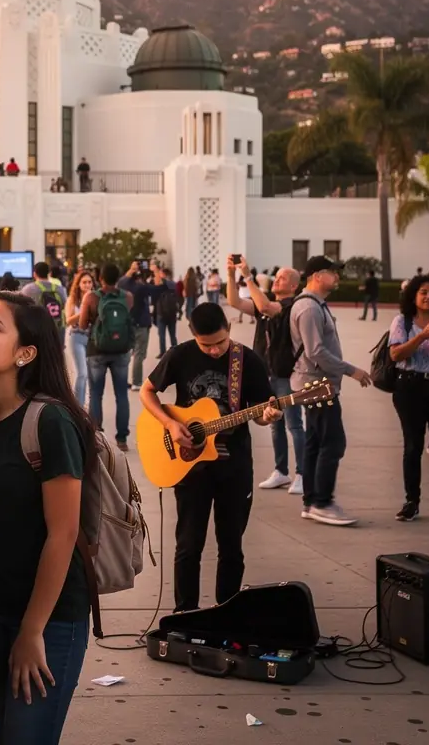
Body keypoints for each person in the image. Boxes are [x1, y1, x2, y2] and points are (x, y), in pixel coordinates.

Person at [0, 293, 92, 745]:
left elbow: (63, 534)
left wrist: (32, 630)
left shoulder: (50, 421)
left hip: (50, 615)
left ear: (25, 353)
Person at [140, 302, 280, 612]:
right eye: (206, 345)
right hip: (190, 466)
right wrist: (171, 424)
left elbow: (259, 411)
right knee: (188, 545)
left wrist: (267, 416)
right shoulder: (180, 355)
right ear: (194, 336)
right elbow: (147, 391)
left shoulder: (248, 361)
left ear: (229, 328)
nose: (215, 350)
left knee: (231, 546)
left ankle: (226, 612)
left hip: (235, 466)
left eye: (220, 342)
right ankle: (184, 613)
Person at [290, 256, 372, 527]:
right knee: (333, 442)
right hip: (316, 386)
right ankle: (322, 502)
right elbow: (316, 352)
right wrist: (351, 370)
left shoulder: (314, 305)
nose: (337, 277)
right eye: (332, 273)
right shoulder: (309, 308)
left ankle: (312, 501)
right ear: (316, 275)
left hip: (316, 384)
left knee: (316, 441)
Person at [226, 256, 305, 494]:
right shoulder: (267, 303)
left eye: (282, 278)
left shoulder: (290, 306)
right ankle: (281, 471)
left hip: (285, 374)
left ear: (293, 286)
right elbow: (235, 302)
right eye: (277, 276)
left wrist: (248, 276)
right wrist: (231, 274)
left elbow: (265, 308)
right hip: (266, 373)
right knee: (274, 424)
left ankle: (302, 473)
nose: (277, 280)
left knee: (294, 425)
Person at [387, 275, 429, 521]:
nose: (428, 297)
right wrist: (422, 336)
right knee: (413, 446)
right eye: (423, 292)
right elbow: (395, 354)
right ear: (413, 296)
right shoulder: (402, 321)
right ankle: (412, 501)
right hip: (410, 387)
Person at [80, 263, 134, 449]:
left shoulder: (92, 297)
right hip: (121, 351)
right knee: (122, 395)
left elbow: (82, 324)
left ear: (100, 278)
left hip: (97, 351)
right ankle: (122, 440)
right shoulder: (127, 297)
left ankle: (96, 436)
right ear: (118, 278)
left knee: (96, 394)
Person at [118, 263, 153, 390]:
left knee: (127, 353)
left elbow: (122, 281)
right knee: (139, 353)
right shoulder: (141, 287)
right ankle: (136, 382)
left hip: (129, 322)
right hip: (141, 323)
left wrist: (130, 270)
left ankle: (123, 380)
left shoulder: (123, 287)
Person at [64, 269, 94, 407]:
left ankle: (89, 405)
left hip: (91, 338)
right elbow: (68, 320)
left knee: (91, 374)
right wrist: (84, 309)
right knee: (82, 373)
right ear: (78, 284)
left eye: (89, 282)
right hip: (76, 337)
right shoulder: (72, 299)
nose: (87, 285)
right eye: (84, 282)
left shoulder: (95, 298)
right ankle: (78, 407)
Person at [153, 267, 180, 355]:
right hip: (171, 313)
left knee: (162, 335)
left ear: (164, 274)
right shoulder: (173, 284)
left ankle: (163, 352)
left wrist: (155, 271)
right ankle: (174, 351)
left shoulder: (167, 283)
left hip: (162, 313)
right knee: (171, 335)